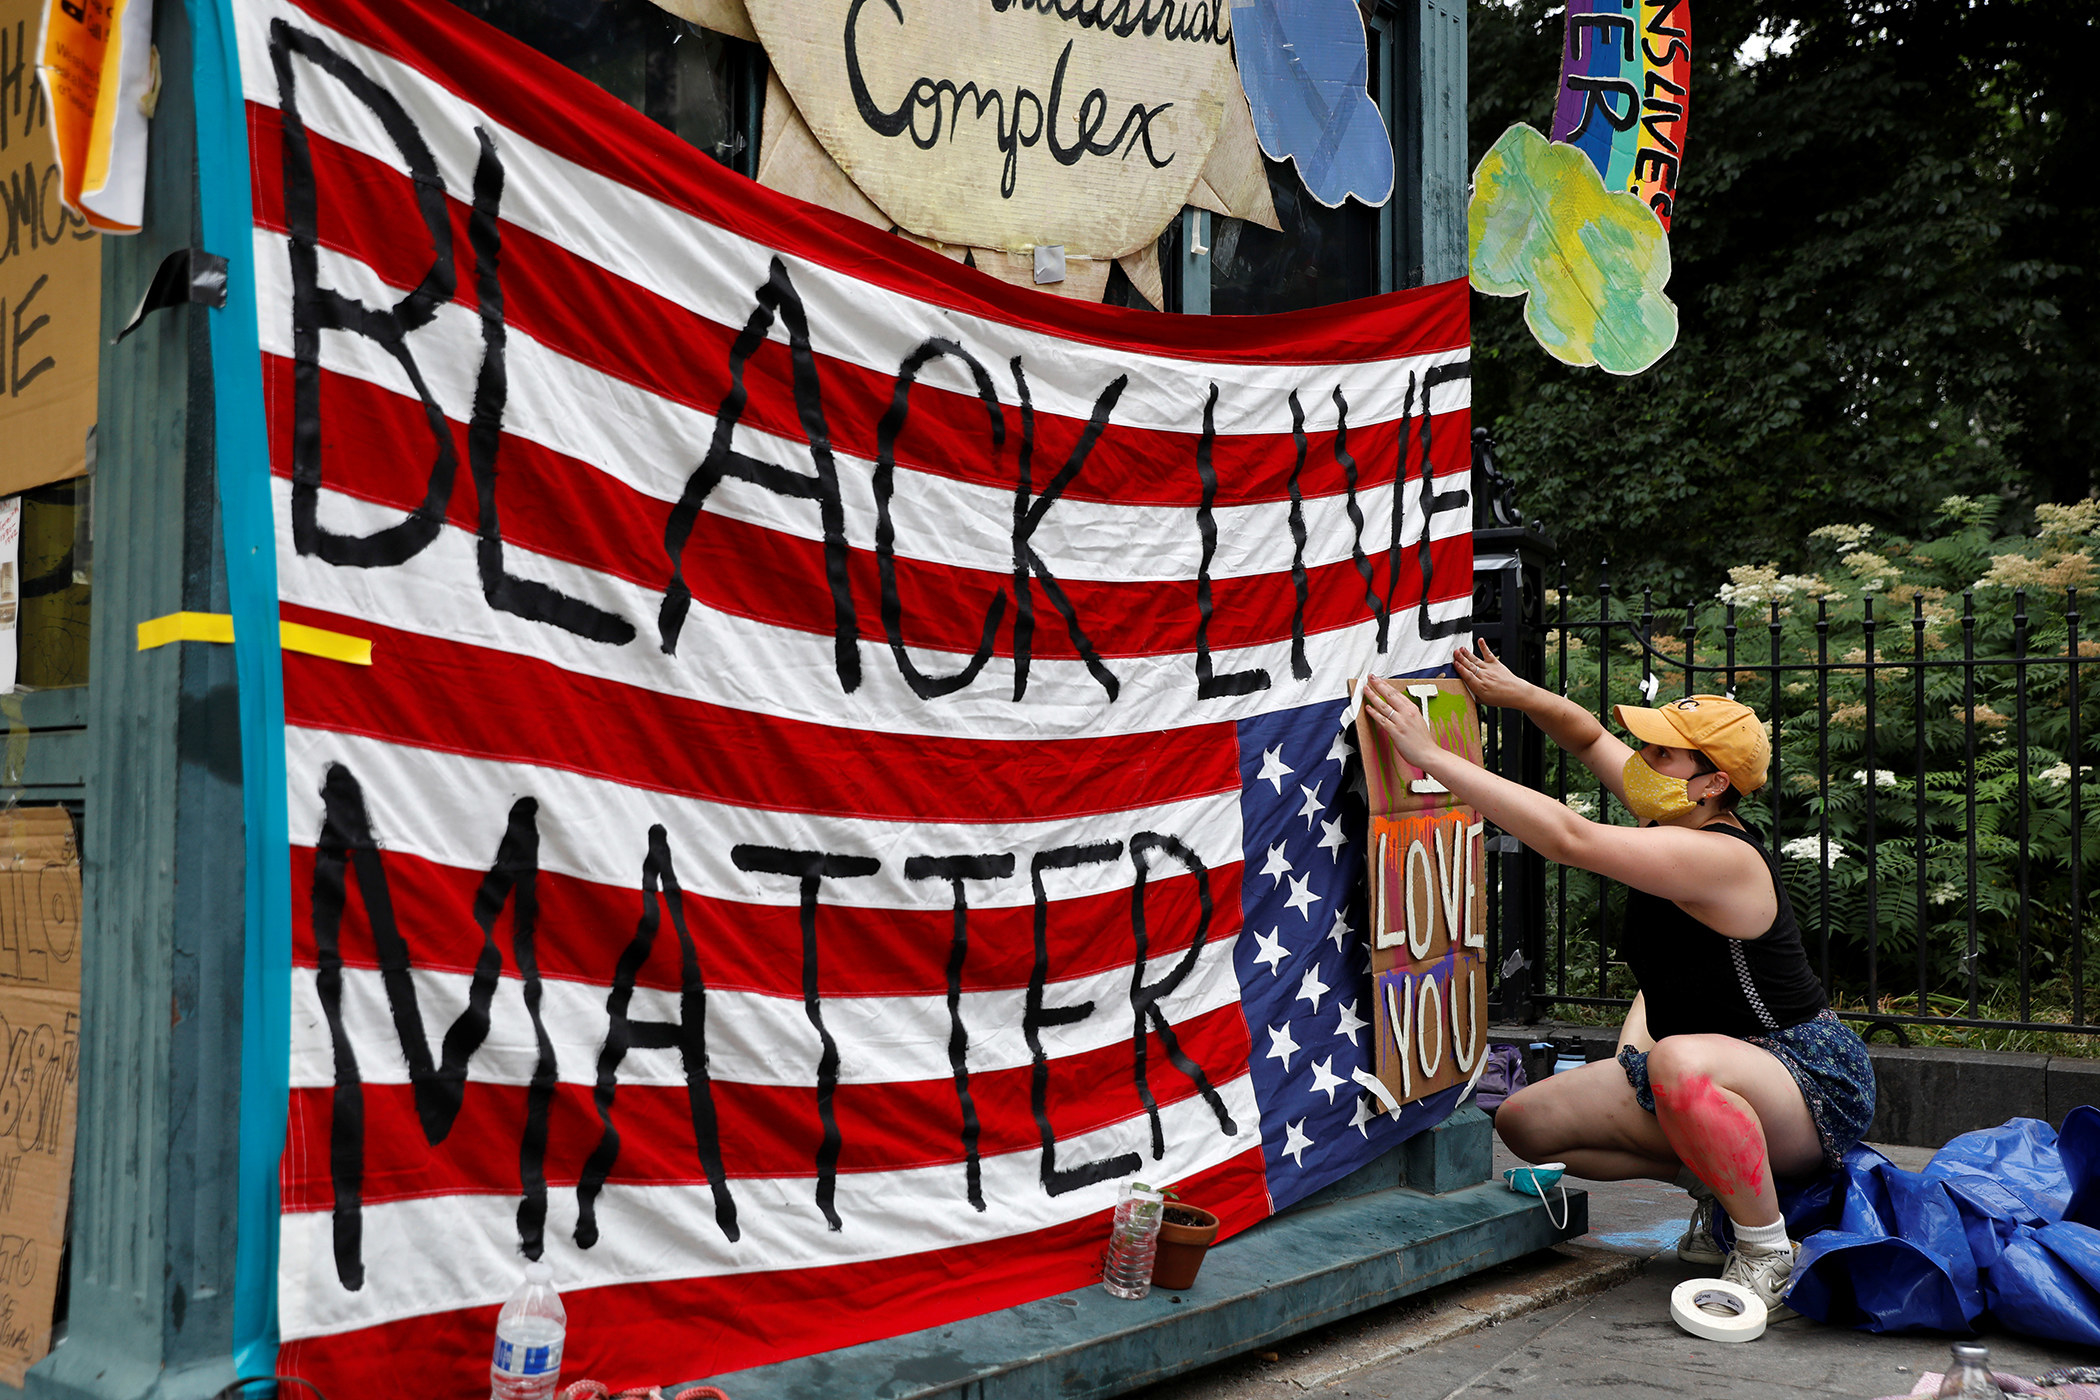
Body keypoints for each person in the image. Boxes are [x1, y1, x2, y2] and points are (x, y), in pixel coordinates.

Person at [1363, 644, 1875, 1311]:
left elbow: (1570, 839)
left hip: (1802, 1078)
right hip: (1707, 1072)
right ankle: (1721, 1183)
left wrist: (1431, 757)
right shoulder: (1667, 809)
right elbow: (1588, 736)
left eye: (1664, 753)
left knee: (1678, 1062)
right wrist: (1517, 691)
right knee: (1527, 1125)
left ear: (1713, 782)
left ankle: (1766, 1248)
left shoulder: (1721, 857)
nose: (1643, 761)